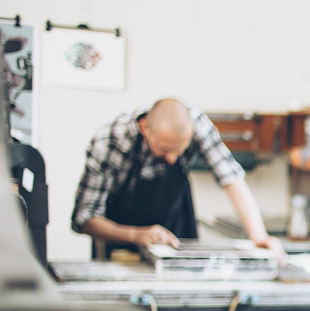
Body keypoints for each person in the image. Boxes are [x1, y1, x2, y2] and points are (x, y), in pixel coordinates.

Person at [71, 98, 282, 258]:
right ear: (144, 128)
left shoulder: (196, 123)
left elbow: (230, 178)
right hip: (121, 243)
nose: (172, 159)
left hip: (176, 233)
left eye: (179, 151)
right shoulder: (111, 142)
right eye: (164, 150)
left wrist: (259, 237)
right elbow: (83, 218)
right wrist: (136, 235)